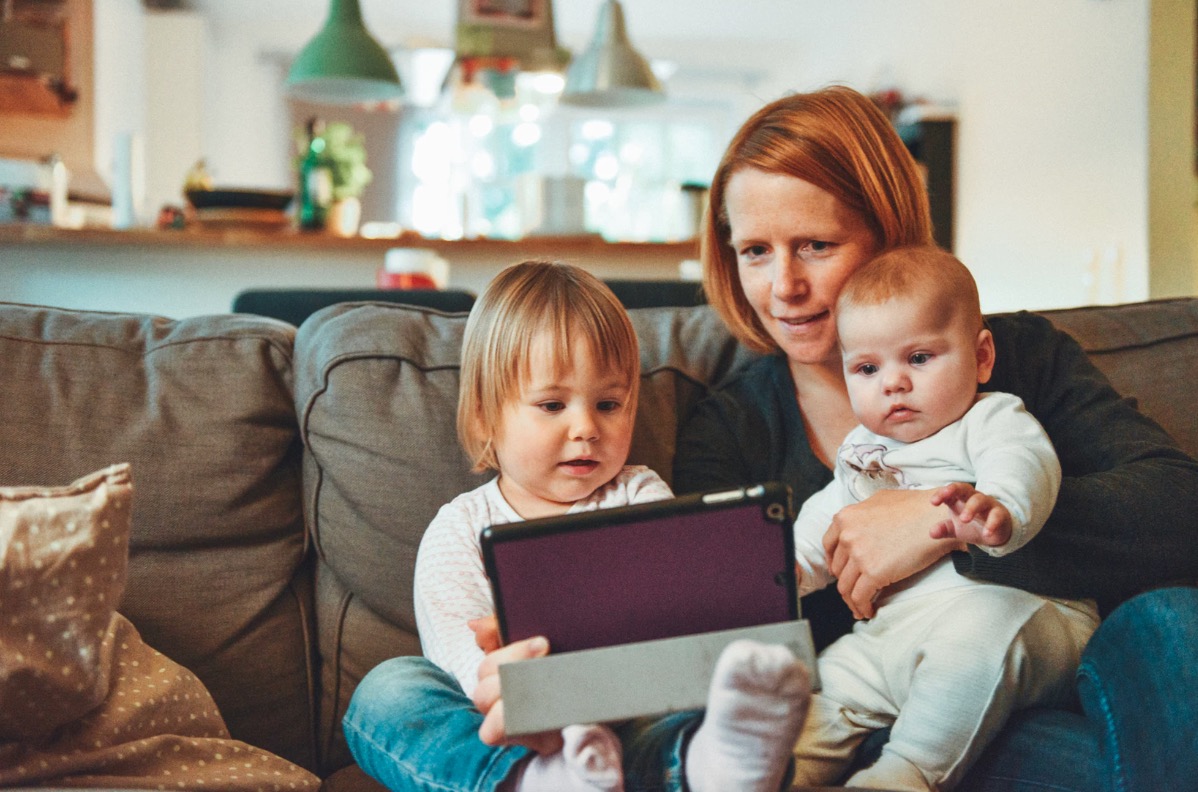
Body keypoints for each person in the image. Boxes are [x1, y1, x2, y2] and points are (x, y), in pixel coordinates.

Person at [673, 84, 1198, 790]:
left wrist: (942, 519)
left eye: (816, 246)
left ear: (888, 233)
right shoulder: (731, 427)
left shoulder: (1015, 359)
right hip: (870, 716)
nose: (784, 286)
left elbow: (1177, 509)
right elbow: (722, 627)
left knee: (1173, 619)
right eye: (756, 252)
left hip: (1050, 674)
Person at [343, 260, 812, 792]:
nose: (587, 428)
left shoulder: (639, 494)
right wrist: (533, 693)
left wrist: (744, 582)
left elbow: (678, 612)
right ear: (483, 417)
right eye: (552, 405)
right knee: (388, 691)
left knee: (708, 702)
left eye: (609, 404)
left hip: (632, 715)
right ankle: (537, 780)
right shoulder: (458, 529)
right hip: (516, 727)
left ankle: (713, 766)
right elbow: (461, 663)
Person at [783, 245, 1098, 790]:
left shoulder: (989, 417)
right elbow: (827, 519)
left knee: (971, 643)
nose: (893, 383)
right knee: (825, 685)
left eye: (920, 358)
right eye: (866, 367)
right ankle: (781, 773)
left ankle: (905, 774)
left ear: (981, 358)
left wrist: (1000, 507)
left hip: (1019, 616)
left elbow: (1023, 461)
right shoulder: (863, 448)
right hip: (894, 634)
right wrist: (785, 569)